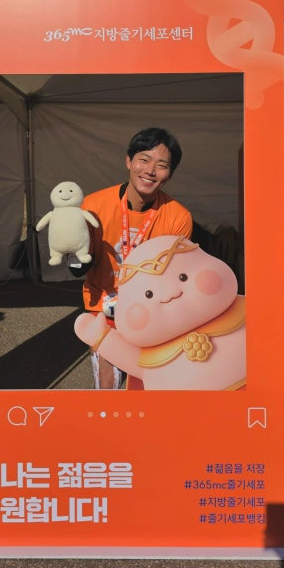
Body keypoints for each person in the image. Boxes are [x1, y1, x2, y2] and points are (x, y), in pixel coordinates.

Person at [77, 126, 193, 389]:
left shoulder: (178, 217)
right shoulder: (94, 206)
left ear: (170, 173)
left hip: (152, 308)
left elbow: (174, 277)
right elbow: (82, 260)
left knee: (148, 383)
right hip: (104, 303)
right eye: (144, 159)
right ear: (129, 161)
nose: (150, 170)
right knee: (108, 382)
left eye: (161, 165)